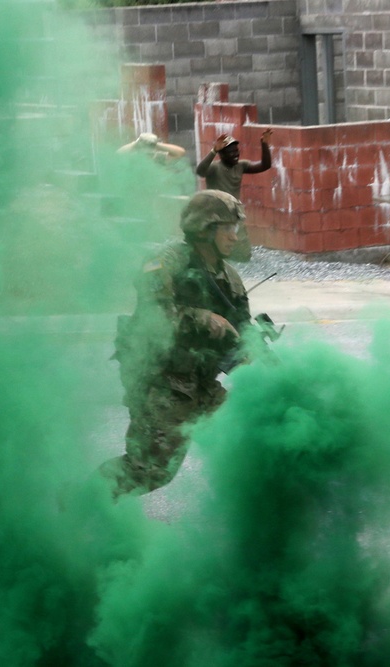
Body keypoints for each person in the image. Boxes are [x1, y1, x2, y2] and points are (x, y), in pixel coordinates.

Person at [99, 190, 252, 497]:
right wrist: (201, 318)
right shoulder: (166, 263)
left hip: (202, 383)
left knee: (251, 436)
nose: (235, 237)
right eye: (228, 228)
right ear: (205, 229)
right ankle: (84, 501)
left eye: (236, 229)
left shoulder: (229, 278)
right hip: (161, 379)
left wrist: (254, 356)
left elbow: (240, 334)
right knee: (149, 471)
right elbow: (153, 318)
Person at [194, 130, 273, 262]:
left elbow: (265, 165)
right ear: (222, 155)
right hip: (216, 213)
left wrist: (264, 144)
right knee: (214, 244)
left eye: (237, 151)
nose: (236, 155)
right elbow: (200, 171)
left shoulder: (241, 166)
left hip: (234, 212)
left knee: (243, 254)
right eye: (231, 152)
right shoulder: (215, 168)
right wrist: (213, 151)